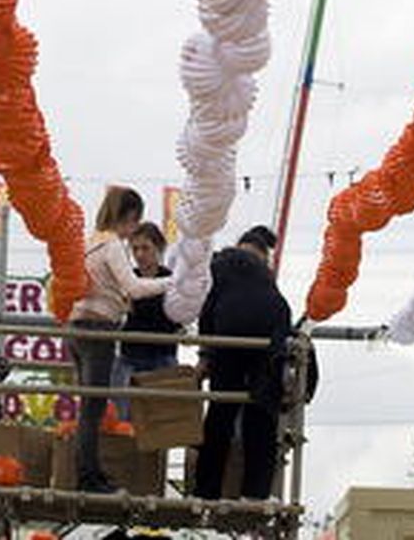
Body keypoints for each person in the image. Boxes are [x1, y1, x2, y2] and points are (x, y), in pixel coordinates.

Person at [68, 186, 169, 493]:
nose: (133, 230)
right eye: (134, 221)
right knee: (93, 408)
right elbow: (135, 287)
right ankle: (87, 477)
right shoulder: (111, 245)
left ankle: (89, 472)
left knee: (89, 406)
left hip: (77, 327)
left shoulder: (90, 242)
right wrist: (175, 281)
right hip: (98, 330)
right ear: (127, 216)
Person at [193, 225, 291, 501]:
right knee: (261, 412)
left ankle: (206, 491)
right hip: (270, 330)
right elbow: (280, 313)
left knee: (221, 412)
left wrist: (205, 355)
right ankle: (257, 493)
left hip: (231, 330)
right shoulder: (264, 275)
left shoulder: (219, 264)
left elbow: (208, 311)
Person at [113, 221, 181, 419]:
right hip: (130, 357)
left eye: (145, 248)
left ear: (159, 249)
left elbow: (176, 319)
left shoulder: (171, 279)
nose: (140, 254)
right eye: (135, 249)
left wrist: (135, 308)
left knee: (160, 421)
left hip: (162, 356)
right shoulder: (128, 278)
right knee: (124, 419)